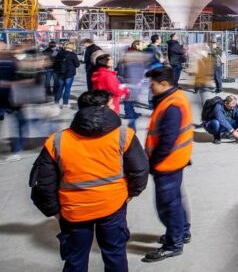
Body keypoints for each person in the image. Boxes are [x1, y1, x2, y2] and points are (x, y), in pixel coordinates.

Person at [29, 90, 149, 272]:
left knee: (75, 259)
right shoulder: (124, 135)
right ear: (99, 109)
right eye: (110, 105)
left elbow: (44, 183)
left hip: (74, 211)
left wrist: (53, 210)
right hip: (113, 206)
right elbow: (139, 170)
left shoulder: (58, 141)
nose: (114, 108)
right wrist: (131, 194)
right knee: (115, 254)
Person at [143, 66, 194, 262]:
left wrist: (153, 163)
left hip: (168, 162)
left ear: (164, 84)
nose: (150, 88)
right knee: (175, 200)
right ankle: (182, 232)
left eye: (152, 85)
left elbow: (167, 140)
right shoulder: (174, 97)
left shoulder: (172, 105)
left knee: (168, 205)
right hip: (175, 160)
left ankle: (174, 243)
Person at [118, 41, 146, 130]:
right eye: (141, 44)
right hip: (130, 78)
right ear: (136, 45)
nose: (143, 46)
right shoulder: (131, 54)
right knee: (129, 97)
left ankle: (131, 112)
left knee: (132, 97)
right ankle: (129, 114)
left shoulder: (135, 54)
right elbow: (122, 67)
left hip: (134, 78)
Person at [53, 42, 80, 108]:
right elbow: (77, 65)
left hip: (60, 73)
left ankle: (56, 101)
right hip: (69, 74)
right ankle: (65, 103)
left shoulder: (59, 53)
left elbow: (54, 59)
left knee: (59, 88)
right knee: (67, 89)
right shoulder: (73, 55)